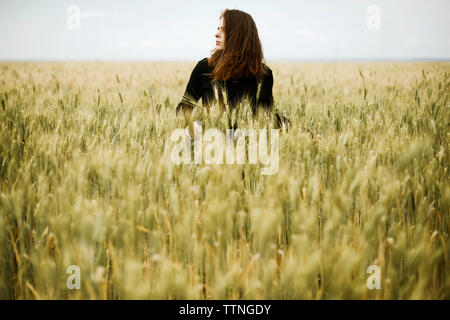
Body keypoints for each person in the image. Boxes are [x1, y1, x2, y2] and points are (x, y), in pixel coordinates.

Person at [176, 9, 276, 121]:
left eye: (223, 30)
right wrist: (198, 126)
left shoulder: (264, 75)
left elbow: (267, 116)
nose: (216, 34)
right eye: (218, 29)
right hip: (212, 137)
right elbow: (184, 110)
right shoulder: (204, 68)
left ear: (239, 35)